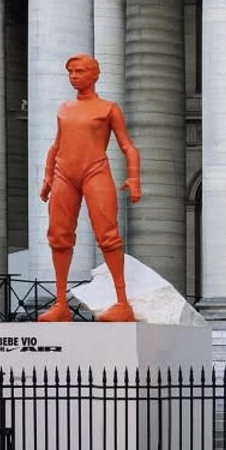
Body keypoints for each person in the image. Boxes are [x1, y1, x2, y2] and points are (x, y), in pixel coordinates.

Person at [35, 53, 143, 323]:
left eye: (79, 71)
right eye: (70, 72)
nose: (73, 76)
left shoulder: (108, 109)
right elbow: (56, 145)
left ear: (94, 75)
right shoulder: (64, 109)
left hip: (95, 170)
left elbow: (127, 145)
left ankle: (122, 302)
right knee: (59, 237)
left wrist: (134, 177)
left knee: (108, 236)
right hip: (64, 174)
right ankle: (61, 304)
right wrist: (48, 177)